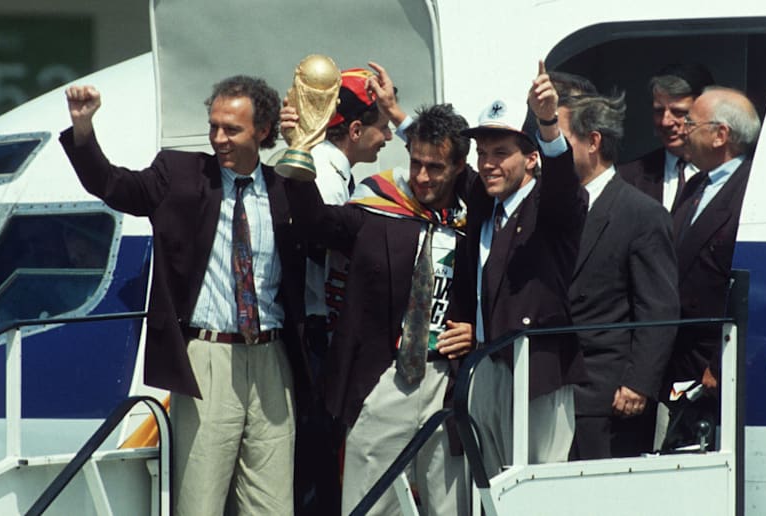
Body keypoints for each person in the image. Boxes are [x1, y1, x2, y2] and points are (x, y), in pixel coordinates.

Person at [60, 76, 307, 515]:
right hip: (208, 360)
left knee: (272, 505)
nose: (218, 138)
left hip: (272, 360)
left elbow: (330, 231)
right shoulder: (179, 175)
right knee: (199, 500)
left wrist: (304, 142)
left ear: (263, 131)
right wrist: (83, 128)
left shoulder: (284, 189)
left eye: (232, 129)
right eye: (214, 126)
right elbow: (113, 185)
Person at [283, 103, 473, 516]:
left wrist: (476, 330)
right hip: (384, 378)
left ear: (459, 166)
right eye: (416, 162)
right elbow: (315, 222)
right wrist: (298, 148)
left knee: (450, 506)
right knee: (370, 503)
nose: (422, 177)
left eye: (435, 167)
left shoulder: (473, 222)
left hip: (448, 382)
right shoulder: (378, 207)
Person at [452, 62, 588, 476]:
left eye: (500, 153)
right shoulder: (484, 204)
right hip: (484, 368)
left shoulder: (551, 206)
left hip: (535, 373)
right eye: (482, 153)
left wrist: (548, 124)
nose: (487, 164)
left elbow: (563, 186)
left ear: (531, 159)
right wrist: (398, 117)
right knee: (493, 488)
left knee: (538, 489)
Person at [552, 77, 680, 459]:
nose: (550, 152)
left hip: (608, 398)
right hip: (552, 394)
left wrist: (639, 383)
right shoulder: (551, 209)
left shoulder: (641, 213)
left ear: (593, 142)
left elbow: (658, 306)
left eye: (562, 141)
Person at [294, 66, 395, 516]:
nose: (387, 138)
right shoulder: (324, 175)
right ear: (355, 130)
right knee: (316, 463)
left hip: (322, 329)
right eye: (382, 127)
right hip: (316, 334)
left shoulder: (335, 171)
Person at [660, 86, 760, 450]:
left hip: (713, 370)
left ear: (721, 135)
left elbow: (748, 287)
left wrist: (719, 364)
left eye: (691, 123)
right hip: (677, 365)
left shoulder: (751, 191)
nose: (681, 130)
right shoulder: (696, 186)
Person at [618, 63, 715, 211]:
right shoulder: (627, 177)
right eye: (659, 111)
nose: (665, 122)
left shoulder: (731, 174)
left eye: (679, 112)